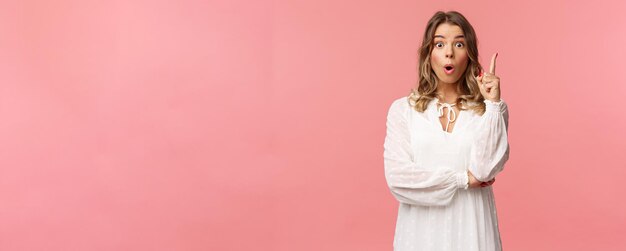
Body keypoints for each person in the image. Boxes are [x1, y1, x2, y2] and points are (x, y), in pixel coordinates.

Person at [383, 10, 510, 251]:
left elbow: (484, 170)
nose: (449, 52)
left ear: (469, 53)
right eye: (439, 44)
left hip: (473, 234)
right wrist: (462, 179)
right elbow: (399, 180)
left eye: (459, 43)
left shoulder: (490, 111)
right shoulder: (403, 110)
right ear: (428, 54)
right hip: (420, 236)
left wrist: (493, 104)